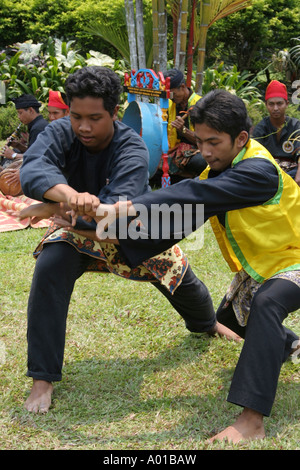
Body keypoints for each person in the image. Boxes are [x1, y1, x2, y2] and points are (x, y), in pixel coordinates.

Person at [17, 67, 239, 414]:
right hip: (74, 231)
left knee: (182, 279)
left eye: (95, 118)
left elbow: (114, 217)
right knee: (50, 266)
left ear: (114, 113)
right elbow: (32, 169)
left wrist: (55, 206)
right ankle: (42, 379)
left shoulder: (132, 148)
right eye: (76, 116)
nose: (84, 127)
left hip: (127, 232)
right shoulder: (60, 132)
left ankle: (207, 323)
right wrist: (70, 195)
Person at [90, 89, 300, 444]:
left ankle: (252, 420)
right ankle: (290, 347)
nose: (204, 151)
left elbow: (190, 196)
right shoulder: (221, 171)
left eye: (213, 142)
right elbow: (175, 221)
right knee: (234, 321)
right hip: (263, 269)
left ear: (241, 138)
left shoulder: (258, 171)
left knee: (266, 304)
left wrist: (126, 206)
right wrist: (95, 227)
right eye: (200, 141)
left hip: (295, 261)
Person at [157, 68, 207, 180]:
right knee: (152, 163)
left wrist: (183, 130)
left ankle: (181, 177)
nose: (171, 98)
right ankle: (185, 177)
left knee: (201, 162)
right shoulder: (169, 104)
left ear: (183, 87)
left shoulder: (201, 105)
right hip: (175, 151)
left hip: (196, 150)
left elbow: (205, 140)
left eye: (173, 94)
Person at [252, 80, 300, 185]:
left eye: (279, 103)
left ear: (287, 104)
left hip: (291, 174)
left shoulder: (296, 125)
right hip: (268, 173)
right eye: (271, 104)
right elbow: (253, 154)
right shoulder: (262, 127)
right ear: (266, 105)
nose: (275, 108)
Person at [0, 94, 48, 194]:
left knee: (6, 167)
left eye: (20, 113)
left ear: (31, 110)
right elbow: (33, 151)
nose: (18, 117)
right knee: (16, 151)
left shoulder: (38, 127)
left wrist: (13, 155)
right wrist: (18, 146)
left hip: (41, 170)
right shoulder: (37, 125)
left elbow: (38, 157)